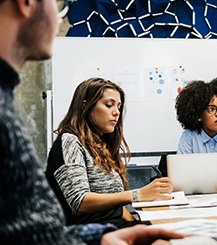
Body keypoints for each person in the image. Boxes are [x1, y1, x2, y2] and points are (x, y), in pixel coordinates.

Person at [0, 0, 181, 245]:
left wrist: (97, 240)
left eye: (119, 106)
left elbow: (33, 234)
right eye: (59, 1)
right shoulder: (68, 141)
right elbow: (77, 206)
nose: (60, 18)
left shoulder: (5, 99)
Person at [46, 78, 173, 227]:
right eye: (109, 105)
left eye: (118, 107)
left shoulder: (101, 146)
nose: (116, 112)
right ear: (85, 106)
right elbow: (80, 202)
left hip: (111, 227)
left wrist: (132, 217)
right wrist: (137, 195)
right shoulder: (70, 142)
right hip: (90, 235)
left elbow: (114, 205)